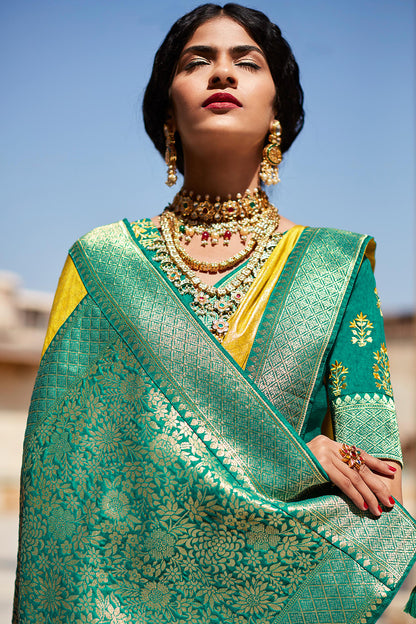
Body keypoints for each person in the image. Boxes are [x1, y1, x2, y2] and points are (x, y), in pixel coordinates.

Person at [13, 4, 416, 623]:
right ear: (166, 108)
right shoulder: (103, 264)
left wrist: (311, 462)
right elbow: (66, 475)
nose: (221, 74)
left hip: (284, 592)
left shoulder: (335, 266)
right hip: (123, 595)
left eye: (246, 62)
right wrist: (291, 453)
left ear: (278, 108)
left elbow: (375, 479)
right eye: (196, 62)